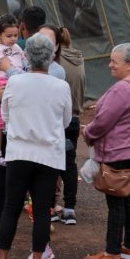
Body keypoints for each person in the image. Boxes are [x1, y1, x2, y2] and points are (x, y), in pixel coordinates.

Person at [0, 34, 72, 259]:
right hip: (48, 154)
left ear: (27, 56)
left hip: (19, 152)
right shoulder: (61, 85)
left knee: (11, 207)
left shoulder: (16, 83)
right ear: (51, 57)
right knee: (42, 210)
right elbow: (65, 121)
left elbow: (6, 115)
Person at [81, 43, 130, 259]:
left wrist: (88, 132)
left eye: (115, 61)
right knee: (127, 197)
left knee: (117, 202)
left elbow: (103, 120)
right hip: (127, 149)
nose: (110, 64)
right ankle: (129, 245)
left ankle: (112, 252)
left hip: (115, 150)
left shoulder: (123, 88)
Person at [0, 14, 27, 166]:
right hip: (2, 81)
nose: (13, 39)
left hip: (14, 80)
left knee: (4, 119)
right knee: (0, 119)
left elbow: (24, 59)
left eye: (16, 35)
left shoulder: (16, 47)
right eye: (9, 36)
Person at [56, 27, 86, 225]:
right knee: (70, 163)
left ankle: (51, 205)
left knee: (51, 164)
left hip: (59, 118)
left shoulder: (56, 62)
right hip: (75, 116)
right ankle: (70, 208)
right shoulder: (79, 58)